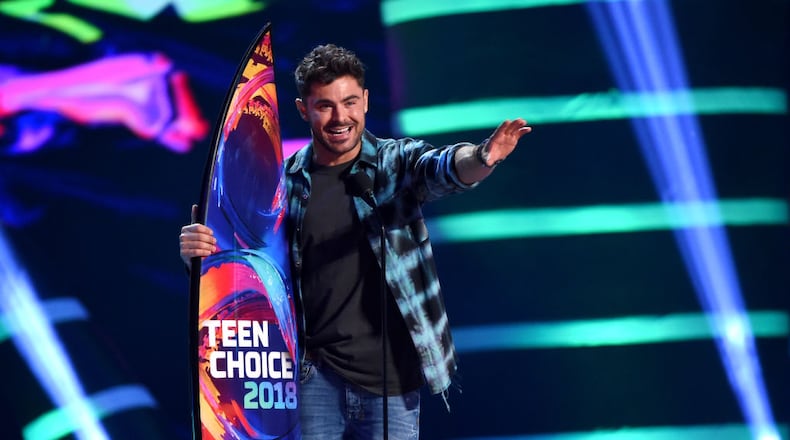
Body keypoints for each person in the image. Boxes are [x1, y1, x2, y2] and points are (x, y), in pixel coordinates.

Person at [179, 43, 532, 439]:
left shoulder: (394, 163)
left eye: (349, 102)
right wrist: (204, 253)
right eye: (325, 106)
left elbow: (444, 168)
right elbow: (248, 265)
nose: (340, 117)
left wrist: (483, 157)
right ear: (302, 109)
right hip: (313, 380)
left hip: (392, 381)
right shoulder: (283, 186)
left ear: (365, 101)